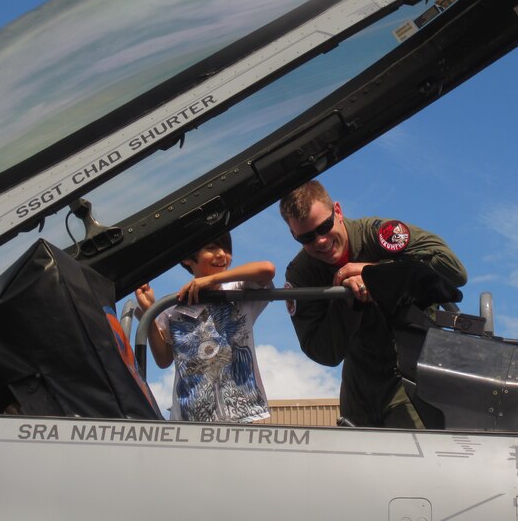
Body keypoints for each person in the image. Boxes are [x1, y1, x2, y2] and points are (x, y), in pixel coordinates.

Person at [279, 180, 467, 428]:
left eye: (324, 227)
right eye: (307, 237)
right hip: (360, 393)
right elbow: (323, 351)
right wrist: (348, 302)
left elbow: (453, 270)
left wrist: (375, 273)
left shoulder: (381, 236)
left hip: (415, 378)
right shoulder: (301, 275)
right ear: (293, 235)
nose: (321, 241)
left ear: (337, 211)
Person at [135, 232, 276, 423]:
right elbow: (163, 359)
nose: (221, 254)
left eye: (226, 249)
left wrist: (212, 280)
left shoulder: (238, 291)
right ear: (187, 258)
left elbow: (267, 269)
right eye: (211, 248)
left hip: (239, 416)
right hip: (188, 421)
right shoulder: (173, 309)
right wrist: (149, 311)